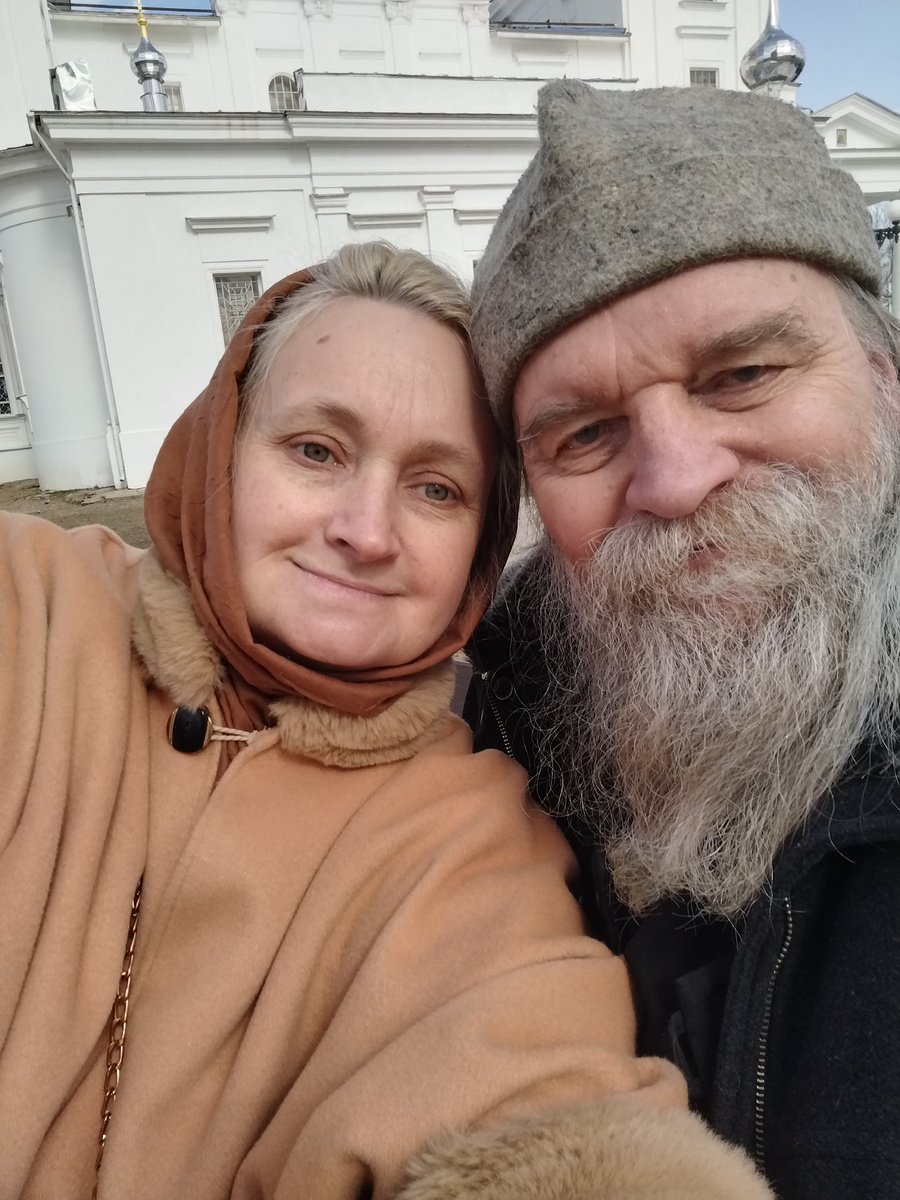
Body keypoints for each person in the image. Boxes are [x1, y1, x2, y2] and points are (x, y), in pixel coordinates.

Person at [0, 242, 769, 1200]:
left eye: (436, 488)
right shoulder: (32, 611)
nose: (365, 532)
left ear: (482, 547)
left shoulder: (470, 839)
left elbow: (542, 1103)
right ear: (220, 450)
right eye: (316, 451)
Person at [465, 81, 900, 1200]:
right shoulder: (495, 722)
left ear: (885, 377)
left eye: (742, 376)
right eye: (585, 434)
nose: (673, 479)